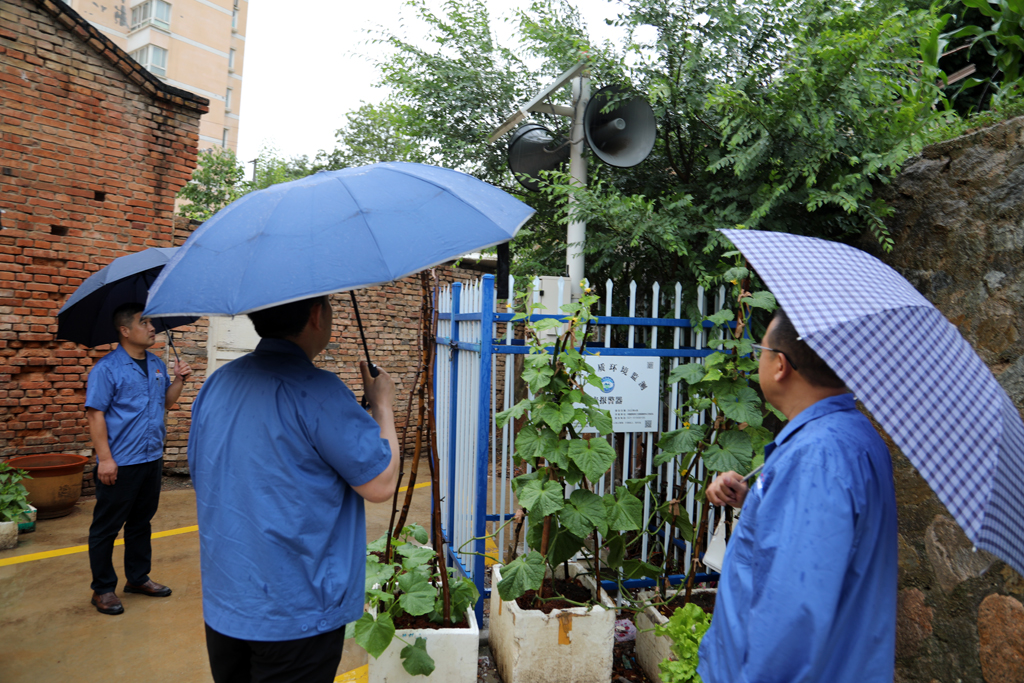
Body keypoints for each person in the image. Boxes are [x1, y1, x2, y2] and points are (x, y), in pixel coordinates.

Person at [188, 294, 399, 683]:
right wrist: (382, 404)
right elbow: (380, 482)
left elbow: (203, 470)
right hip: (296, 610)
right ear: (316, 314)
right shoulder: (319, 391)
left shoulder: (217, 383)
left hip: (227, 602)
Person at [699, 308, 897, 683]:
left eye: (761, 350)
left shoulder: (816, 458)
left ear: (780, 365)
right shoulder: (851, 436)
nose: (758, 359)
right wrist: (754, 500)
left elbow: (791, 612)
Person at [86, 302, 193, 616]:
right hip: (121, 462)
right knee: (106, 527)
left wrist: (179, 380)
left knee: (140, 523)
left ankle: (137, 578)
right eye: (144, 323)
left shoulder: (157, 364)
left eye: (151, 323)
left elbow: (165, 404)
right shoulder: (107, 369)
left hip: (151, 457)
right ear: (124, 330)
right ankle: (102, 588)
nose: (151, 328)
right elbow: (95, 415)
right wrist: (105, 459)